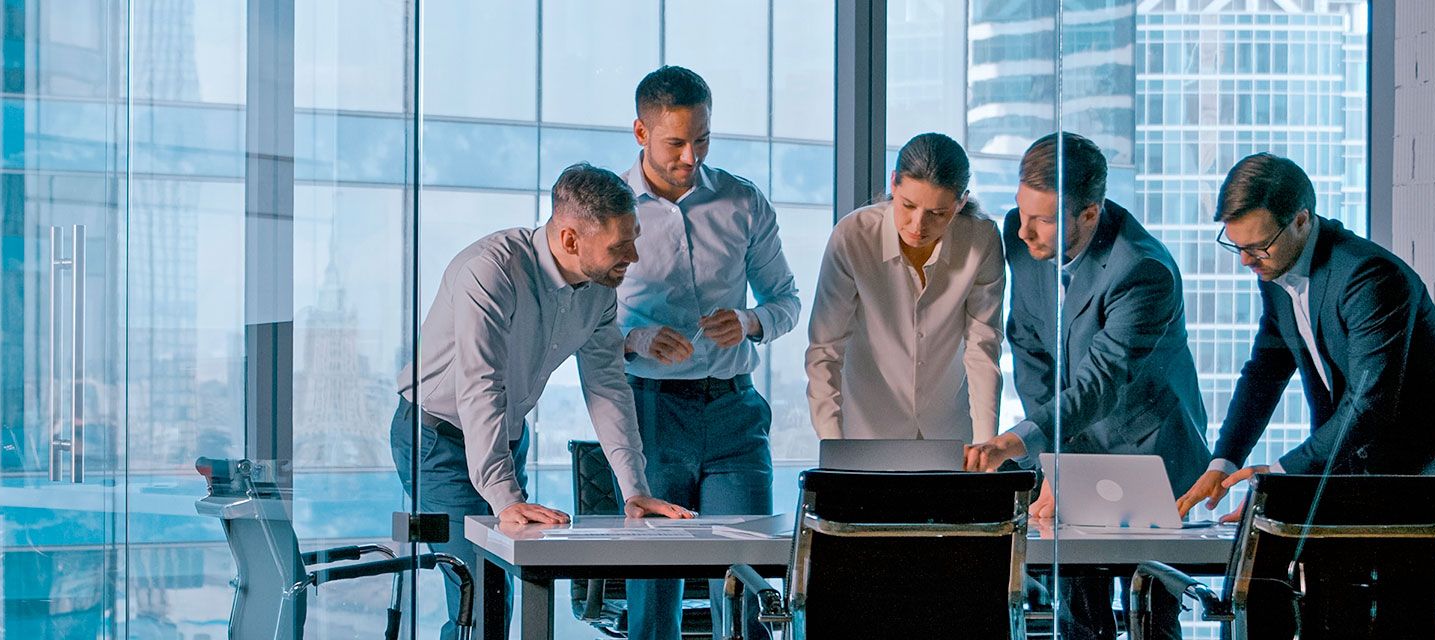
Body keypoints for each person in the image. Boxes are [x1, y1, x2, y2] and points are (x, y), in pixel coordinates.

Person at [1174, 153, 1435, 638]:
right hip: (1368, 466)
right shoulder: (1275, 270)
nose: (1246, 261)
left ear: (1302, 220)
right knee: (1335, 601)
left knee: (1408, 613)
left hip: (1429, 468)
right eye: (1236, 246)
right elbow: (1265, 370)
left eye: (1258, 247)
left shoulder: (1369, 276)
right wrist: (1223, 462)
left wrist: (1281, 474)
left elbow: (1370, 402)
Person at [390, 162, 693, 638]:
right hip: (437, 440)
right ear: (571, 240)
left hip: (506, 436)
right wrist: (505, 496)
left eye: (633, 238)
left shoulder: (599, 291)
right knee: (479, 595)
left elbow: (608, 386)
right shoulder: (490, 273)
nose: (633, 256)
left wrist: (634, 489)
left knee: (501, 593)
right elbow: (480, 386)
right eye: (620, 245)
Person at [963, 132, 1210, 640]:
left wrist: (1018, 439)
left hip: (1147, 453)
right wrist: (1050, 454)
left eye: (1046, 220)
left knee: (1150, 615)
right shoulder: (1019, 232)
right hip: (1070, 444)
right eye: (1022, 212)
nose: (1026, 233)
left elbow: (1101, 381)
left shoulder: (1143, 269)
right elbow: (1029, 346)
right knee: (1076, 614)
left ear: (1091, 214)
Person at [614, 65, 801, 640]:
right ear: (641, 133)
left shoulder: (743, 202)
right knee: (654, 594)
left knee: (746, 583)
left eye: (703, 140)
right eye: (676, 142)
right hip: (650, 411)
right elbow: (581, 320)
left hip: (732, 413)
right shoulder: (611, 210)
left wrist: (748, 321)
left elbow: (787, 302)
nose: (691, 156)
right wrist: (634, 339)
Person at [804, 132, 1005, 443]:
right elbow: (825, 351)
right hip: (866, 433)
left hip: (949, 430)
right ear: (894, 182)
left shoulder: (982, 240)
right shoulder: (852, 237)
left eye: (938, 214)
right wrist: (833, 446)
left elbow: (983, 346)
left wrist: (984, 445)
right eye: (908, 205)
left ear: (961, 201)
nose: (918, 225)